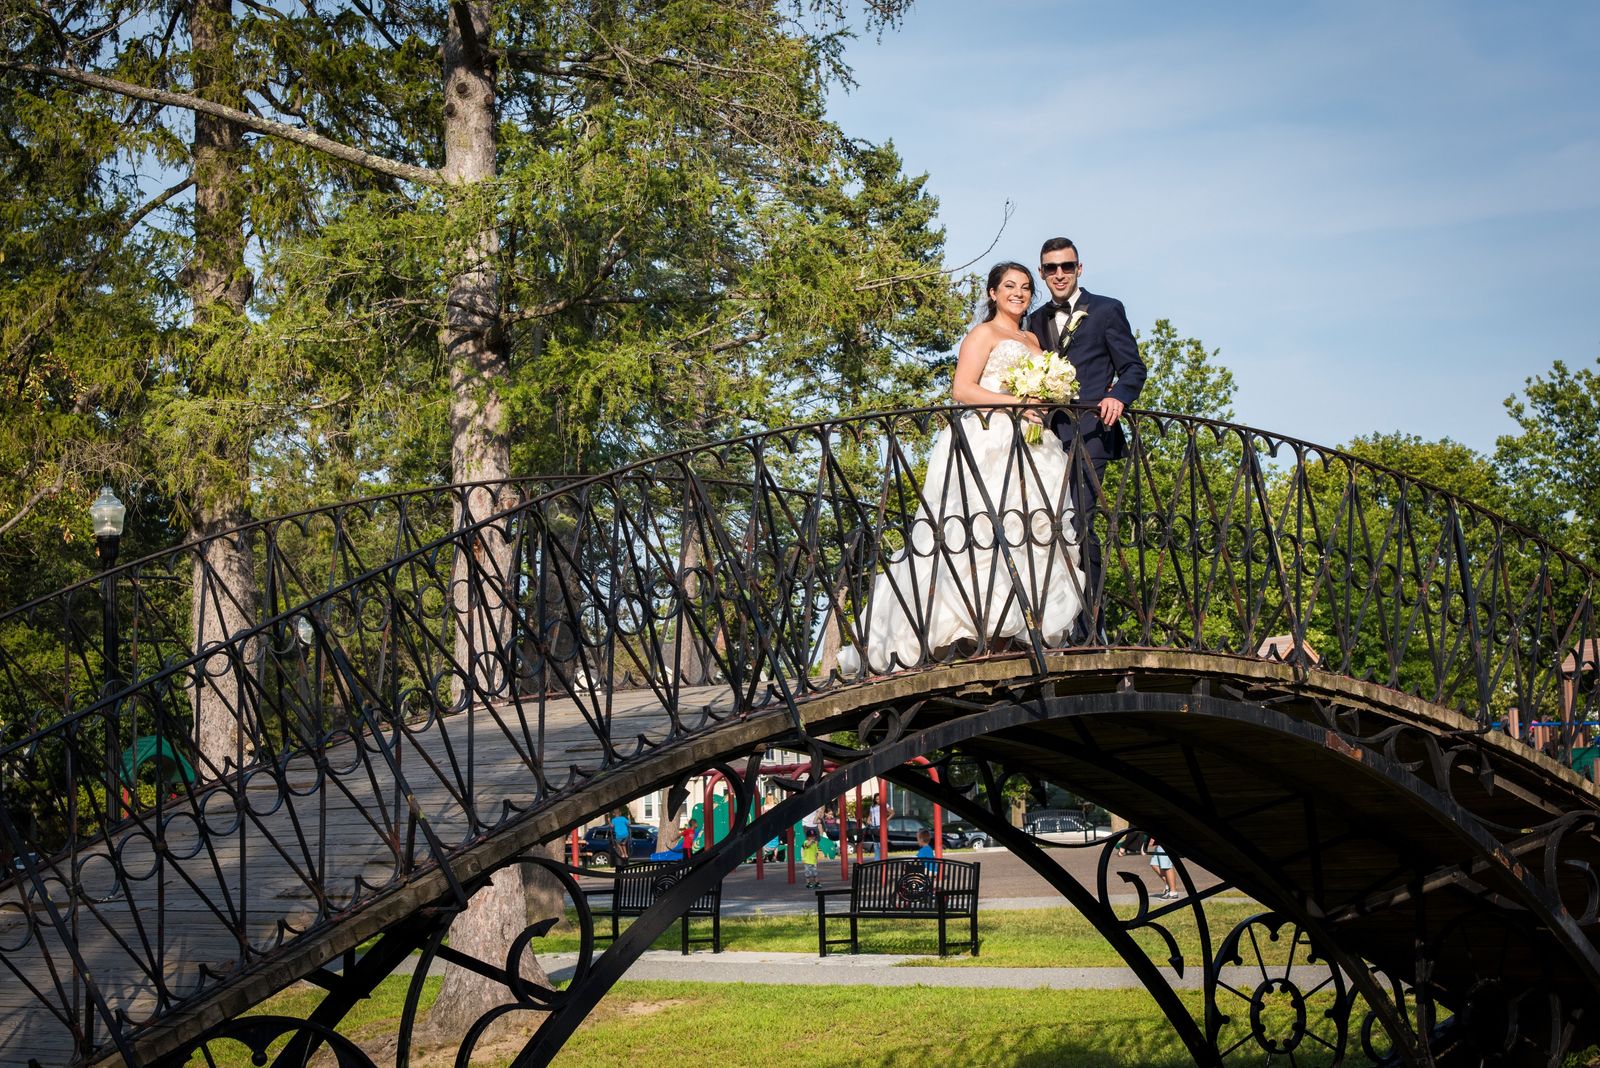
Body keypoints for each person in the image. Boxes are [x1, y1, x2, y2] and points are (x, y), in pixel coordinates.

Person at [836, 262, 1086, 674]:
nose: (1019, 293)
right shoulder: (983, 334)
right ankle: (972, 633)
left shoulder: (1032, 339)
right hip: (989, 441)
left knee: (1031, 533)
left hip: (1033, 447)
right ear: (992, 293)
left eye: (1025, 287)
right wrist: (1018, 403)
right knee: (982, 530)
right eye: (1009, 286)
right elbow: (963, 389)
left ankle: (1014, 633)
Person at [1025, 238, 1145, 641]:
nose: (1059, 274)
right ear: (1042, 273)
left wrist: (1118, 397)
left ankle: (1090, 628)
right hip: (1043, 438)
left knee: (1079, 522)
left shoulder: (1108, 310)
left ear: (1079, 268)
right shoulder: (1034, 321)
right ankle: (1047, 624)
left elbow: (1133, 368)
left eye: (1067, 266)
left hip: (1092, 433)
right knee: (1043, 525)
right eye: (1051, 268)